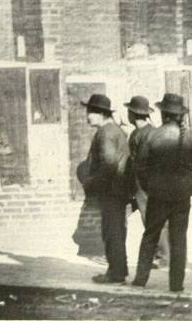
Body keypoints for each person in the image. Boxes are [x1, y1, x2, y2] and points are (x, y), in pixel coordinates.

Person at [131, 93, 192, 292]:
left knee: (150, 235)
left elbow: (140, 168)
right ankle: (176, 284)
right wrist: (190, 187)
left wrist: (151, 186)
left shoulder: (152, 135)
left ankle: (141, 279)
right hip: (182, 196)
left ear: (164, 114)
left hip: (158, 195)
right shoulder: (190, 136)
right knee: (179, 239)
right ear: (180, 115)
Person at [81, 94, 130, 284]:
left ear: (101, 113)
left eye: (91, 112)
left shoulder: (107, 133)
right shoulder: (114, 130)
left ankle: (115, 273)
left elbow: (109, 164)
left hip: (111, 190)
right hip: (117, 189)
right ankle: (119, 270)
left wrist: (92, 183)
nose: (88, 117)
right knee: (115, 230)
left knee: (112, 232)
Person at [124, 95, 169, 269]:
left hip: (145, 184)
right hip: (138, 182)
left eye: (129, 112)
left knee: (152, 218)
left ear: (133, 114)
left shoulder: (147, 134)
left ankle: (162, 256)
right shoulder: (140, 132)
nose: (127, 115)